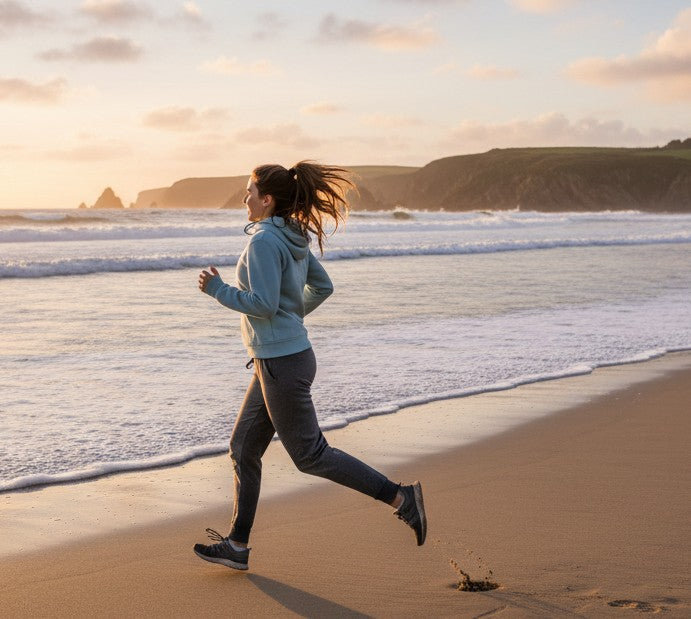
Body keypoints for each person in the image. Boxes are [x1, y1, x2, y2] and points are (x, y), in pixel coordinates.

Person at [194, 161, 426, 571]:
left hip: (283, 362)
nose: (244, 198)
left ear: (267, 199)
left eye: (249, 192)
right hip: (280, 359)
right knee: (244, 448)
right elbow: (322, 287)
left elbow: (263, 304)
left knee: (311, 455)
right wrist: (290, 317)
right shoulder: (292, 235)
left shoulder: (264, 242)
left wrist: (217, 290)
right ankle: (237, 545)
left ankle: (400, 497)